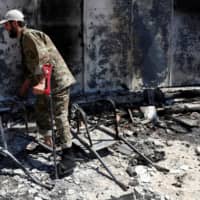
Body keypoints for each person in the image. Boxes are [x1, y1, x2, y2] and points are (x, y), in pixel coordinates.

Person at [0, 9, 76, 175]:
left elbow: (44, 60)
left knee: (59, 116)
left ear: (14, 23)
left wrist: (42, 82)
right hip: (46, 83)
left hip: (57, 82)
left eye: (6, 25)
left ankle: (69, 157)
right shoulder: (24, 39)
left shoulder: (29, 36)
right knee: (40, 109)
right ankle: (48, 139)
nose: (5, 29)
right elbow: (31, 70)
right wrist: (21, 92)